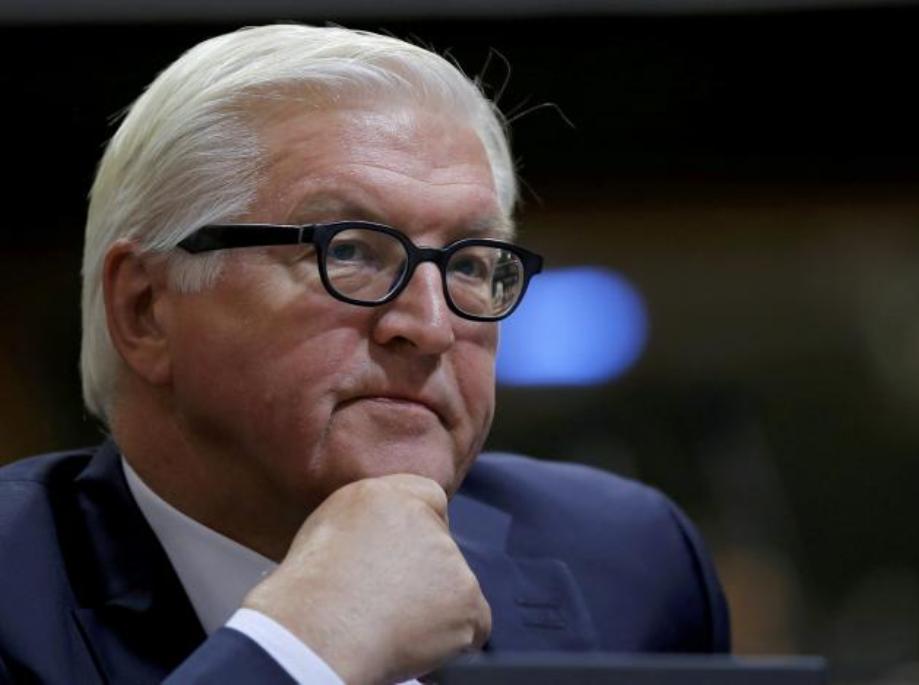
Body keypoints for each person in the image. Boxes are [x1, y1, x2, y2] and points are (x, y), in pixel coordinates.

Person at [0, 24, 729, 684]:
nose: (432, 325)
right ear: (146, 309)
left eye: (471, 265)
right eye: (348, 251)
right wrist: (302, 647)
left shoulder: (630, 560)